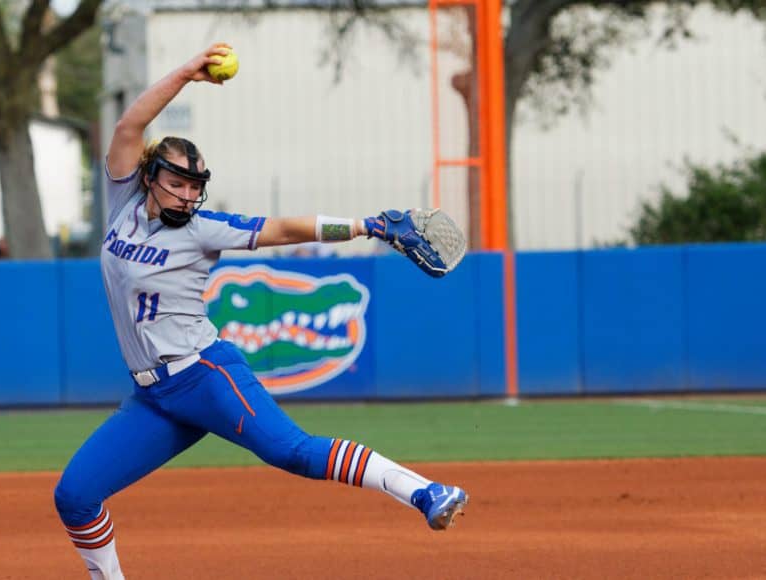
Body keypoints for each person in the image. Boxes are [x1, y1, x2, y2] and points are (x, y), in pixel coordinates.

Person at [53, 44, 468, 580]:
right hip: (153, 397)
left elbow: (284, 229)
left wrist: (367, 225)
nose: (186, 196)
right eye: (176, 183)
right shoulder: (122, 202)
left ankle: (427, 492)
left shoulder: (204, 230)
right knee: (75, 495)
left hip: (204, 376)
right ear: (150, 177)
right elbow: (131, 124)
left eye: (194, 187)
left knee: (292, 452)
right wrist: (185, 75)